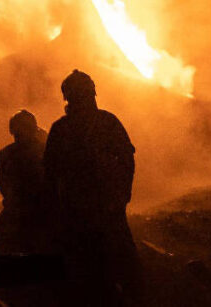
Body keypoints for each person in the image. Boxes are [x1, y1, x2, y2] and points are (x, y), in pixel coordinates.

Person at [43, 70, 140, 304]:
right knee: (107, 262)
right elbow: (126, 159)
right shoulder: (105, 122)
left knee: (97, 263)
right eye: (83, 95)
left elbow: (49, 171)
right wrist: (123, 191)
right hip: (92, 206)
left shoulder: (64, 128)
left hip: (93, 206)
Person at [0, 110, 52, 254]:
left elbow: (1, 183)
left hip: (36, 210)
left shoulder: (7, 154)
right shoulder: (44, 150)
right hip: (31, 211)